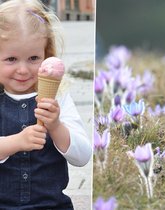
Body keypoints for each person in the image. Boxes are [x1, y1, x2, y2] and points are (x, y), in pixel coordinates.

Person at [0, 0, 92, 209]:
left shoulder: (58, 98)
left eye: (33, 58)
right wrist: (16, 142)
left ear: (47, 56)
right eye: (11, 59)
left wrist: (57, 126)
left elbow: (83, 156)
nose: (23, 70)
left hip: (52, 205)